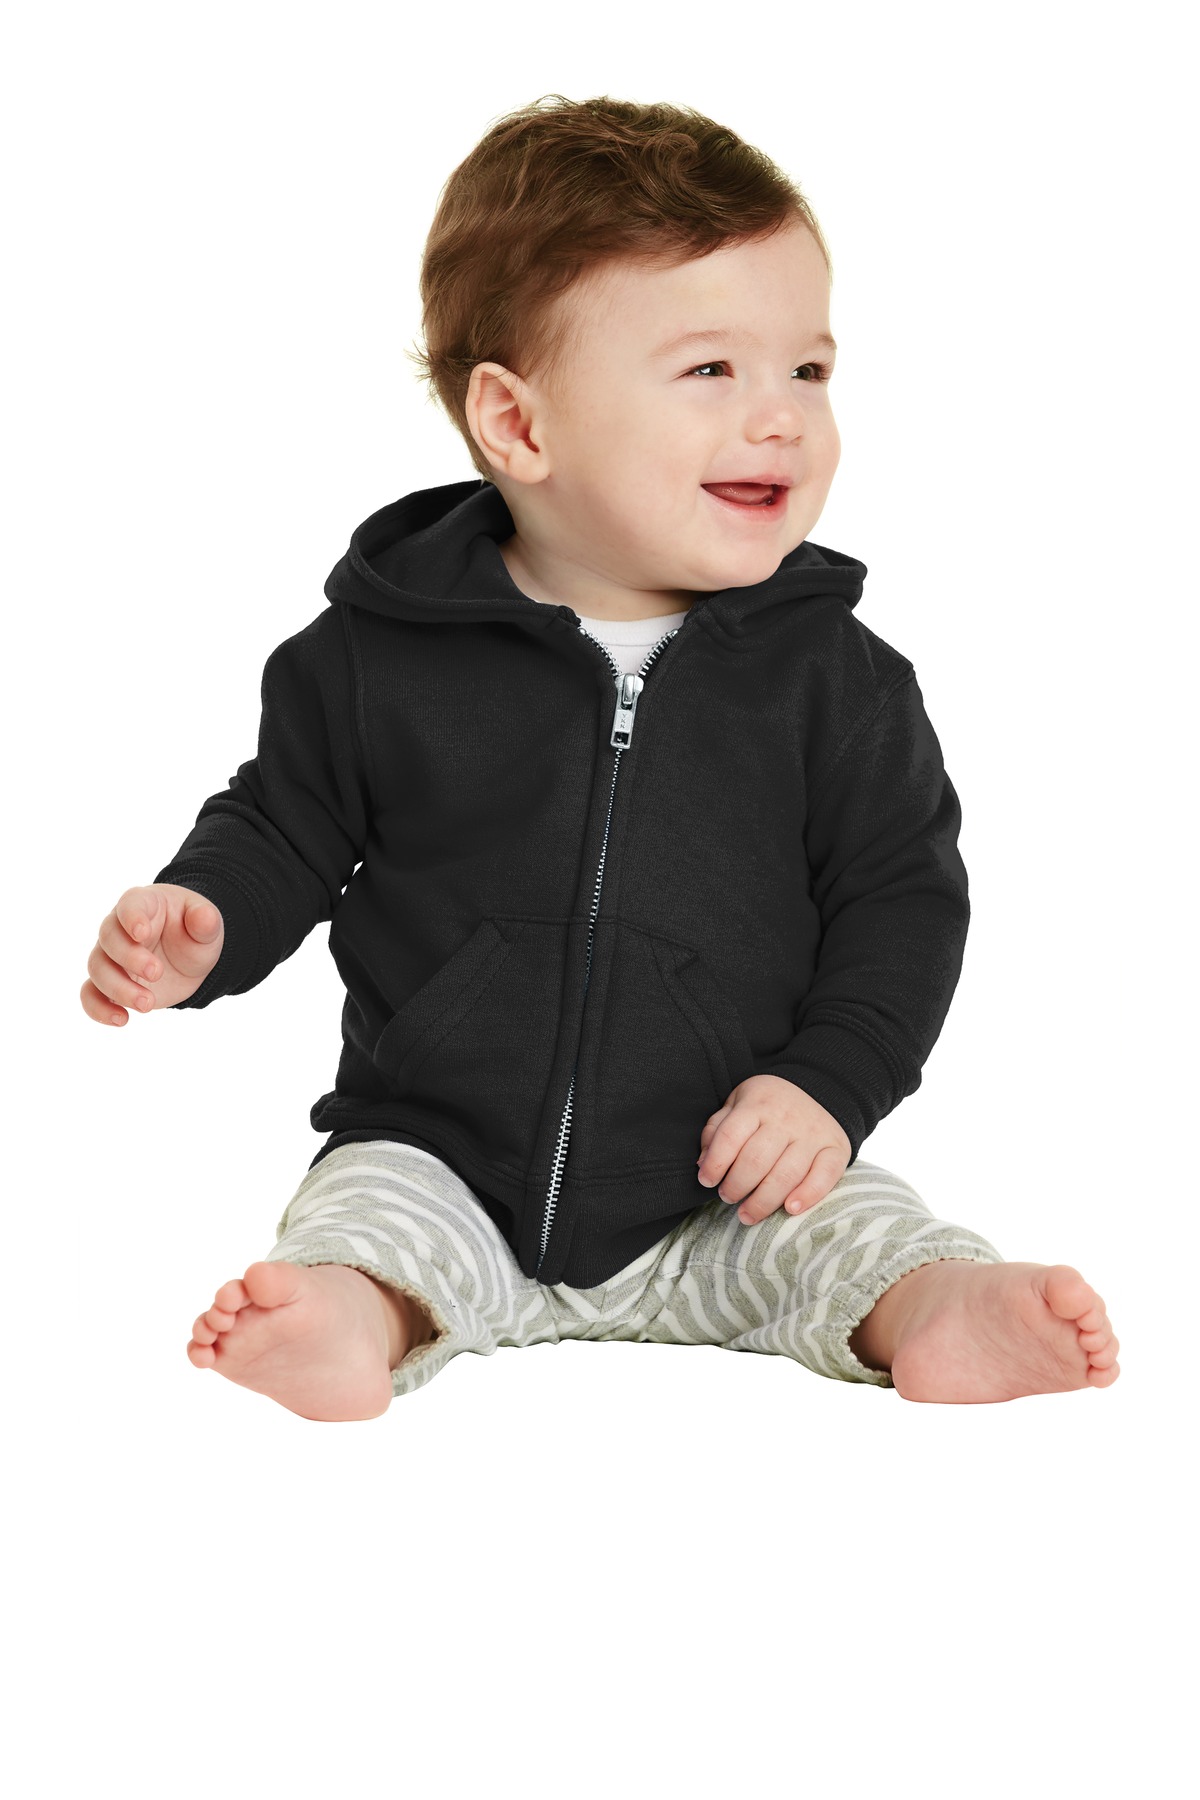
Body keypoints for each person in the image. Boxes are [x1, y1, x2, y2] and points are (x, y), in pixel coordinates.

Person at [80, 94, 1120, 1419]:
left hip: (728, 1184)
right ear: (519, 425)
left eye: (808, 370)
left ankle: (938, 1312)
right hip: (448, 1160)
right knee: (366, 1213)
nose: (783, 418)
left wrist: (826, 1087)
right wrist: (207, 920)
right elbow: (283, 827)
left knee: (860, 1229)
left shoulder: (838, 681)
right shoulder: (371, 658)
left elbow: (902, 904)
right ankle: (351, 1318)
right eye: (712, 371)